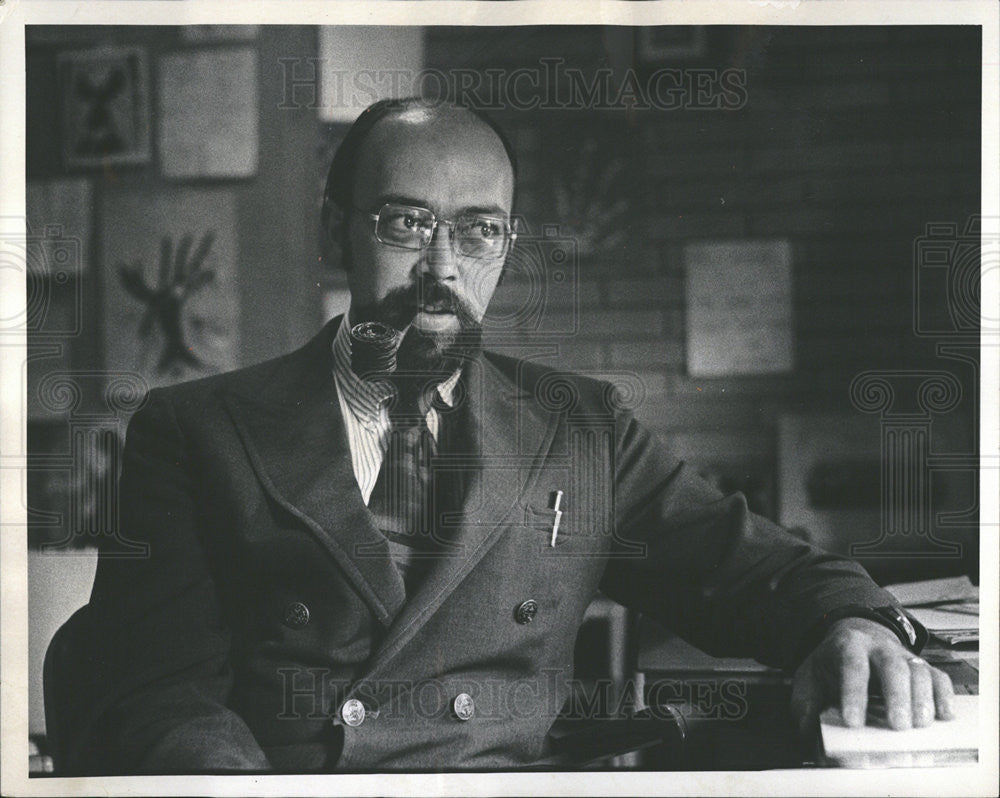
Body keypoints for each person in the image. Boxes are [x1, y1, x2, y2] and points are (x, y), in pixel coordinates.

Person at [71, 98, 954, 773]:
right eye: (406, 223)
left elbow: (751, 565)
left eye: (477, 231)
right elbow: (164, 697)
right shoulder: (193, 433)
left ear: (505, 246)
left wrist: (852, 620)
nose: (441, 266)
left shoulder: (581, 429)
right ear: (336, 229)